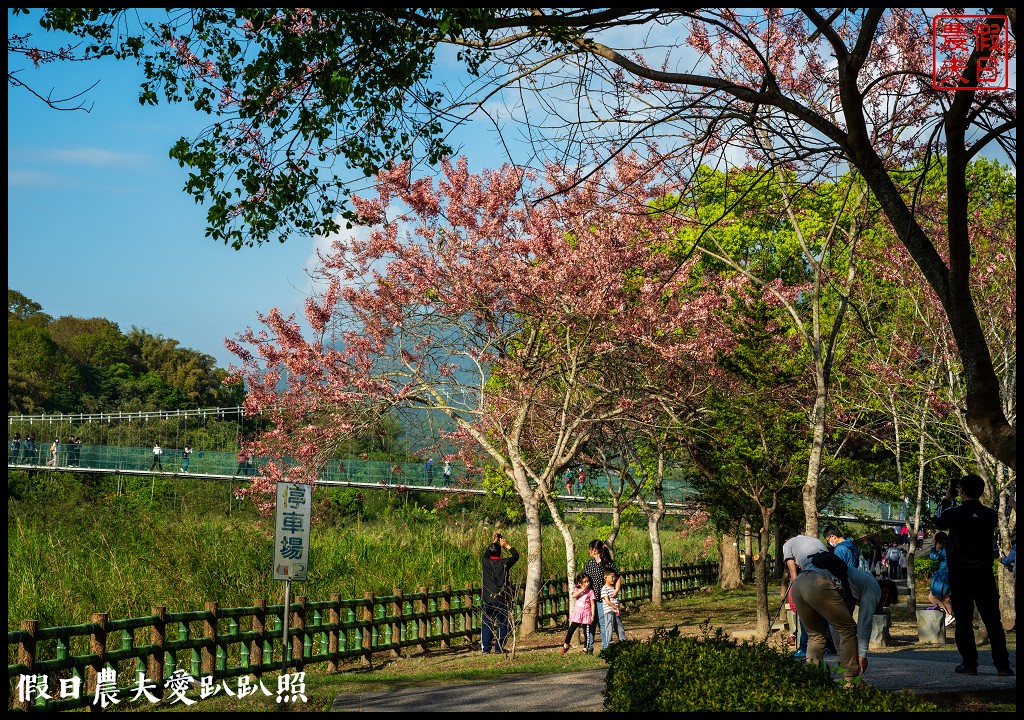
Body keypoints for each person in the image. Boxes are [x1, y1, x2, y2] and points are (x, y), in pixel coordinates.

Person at [933, 473, 1013, 677]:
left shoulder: (954, 513)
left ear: (961, 491)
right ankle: (1002, 665)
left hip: (960, 575)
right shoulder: (990, 515)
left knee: (964, 621)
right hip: (983, 574)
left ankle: (970, 663)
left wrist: (946, 499)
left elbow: (938, 521)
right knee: (993, 621)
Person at [781, 529, 860, 687]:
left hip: (800, 584)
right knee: (847, 628)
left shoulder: (788, 544)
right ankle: (851, 680)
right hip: (820, 580)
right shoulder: (816, 542)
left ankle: (813, 679)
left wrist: (794, 595)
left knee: (815, 636)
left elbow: (793, 571)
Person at [481, 532, 519, 654]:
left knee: (487, 623)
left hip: (488, 597)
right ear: (500, 553)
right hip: (501, 597)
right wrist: (506, 545)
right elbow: (516, 555)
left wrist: (494, 542)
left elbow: (487, 553)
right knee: (502, 623)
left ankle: (486, 649)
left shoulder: (485, 562)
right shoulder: (505, 563)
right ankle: (499, 648)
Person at [583, 539, 620, 652]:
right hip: (592, 599)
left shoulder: (608, 563)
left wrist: (616, 590)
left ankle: (606, 648)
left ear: (594, 550)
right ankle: (589, 647)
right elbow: (585, 581)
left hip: (605, 599)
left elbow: (617, 577)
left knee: (604, 624)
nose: (589, 551)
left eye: (590, 549)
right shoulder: (589, 564)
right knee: (591, 624)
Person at [846, 565, 882, 675]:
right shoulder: (873, 587)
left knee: (816, 637)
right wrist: (862, 654)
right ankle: (851, 677)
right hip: (827, 582)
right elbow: (864, 622)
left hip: (807, 579)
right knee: (845, 630)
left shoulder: (861, 579)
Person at [561, 573, 595, 656]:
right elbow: (573, 595)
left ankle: (585, 648)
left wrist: (592, 615)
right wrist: (582, 590)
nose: (587, 583)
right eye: (585, 582)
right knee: (571, 630)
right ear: (579, 583)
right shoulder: (577, 589)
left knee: (586, 632)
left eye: (588, 581)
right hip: (578, 614)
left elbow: (592, 604)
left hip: (586, 614)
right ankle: (566, 645)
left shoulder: (590, 592)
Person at [927, 531, 954, 624]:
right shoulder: (951, 548)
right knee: (945, 598)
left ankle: (947, 615)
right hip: (950, 575)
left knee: (932, 597)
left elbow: (933, 557)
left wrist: (933, 547)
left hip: (942, 576)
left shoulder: (943, 551)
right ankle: (949, 617)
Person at [601, 568, 627, 644]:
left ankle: (623, 642)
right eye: (611, 577)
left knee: (620, 628)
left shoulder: (613, 588)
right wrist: (616, 608)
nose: (614, 579)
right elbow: (607, 602)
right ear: (605, 577)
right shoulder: (604, 589)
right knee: (609, 628)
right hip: (609, 611)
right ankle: (609, 644)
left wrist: (617, 609)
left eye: (614, 577)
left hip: (616, 611)